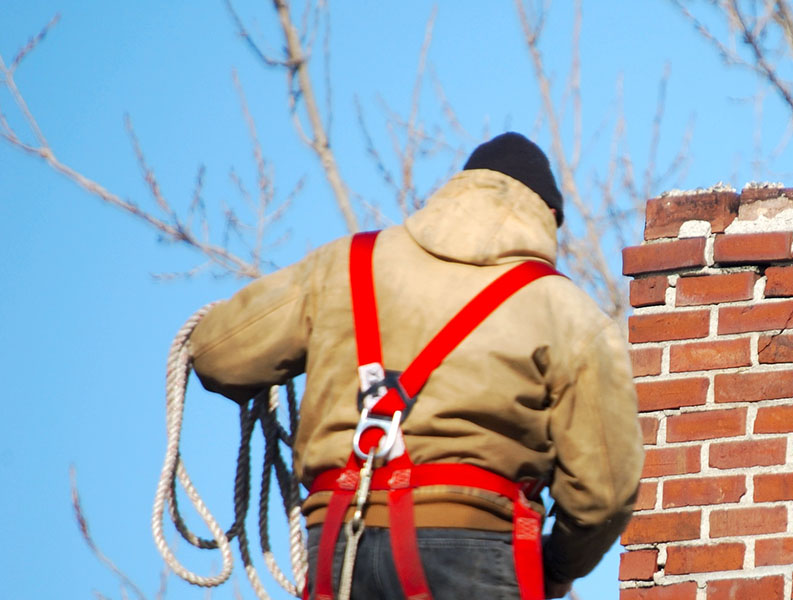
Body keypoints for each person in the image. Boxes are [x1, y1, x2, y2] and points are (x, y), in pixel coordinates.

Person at [188, 132, 644, 599]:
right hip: (474, 546)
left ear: (453, 193)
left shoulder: (344, 264)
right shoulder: (567, 311)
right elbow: (603, 493)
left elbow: (217, 355)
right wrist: (558, 568)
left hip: (340, 545)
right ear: (548, 217)